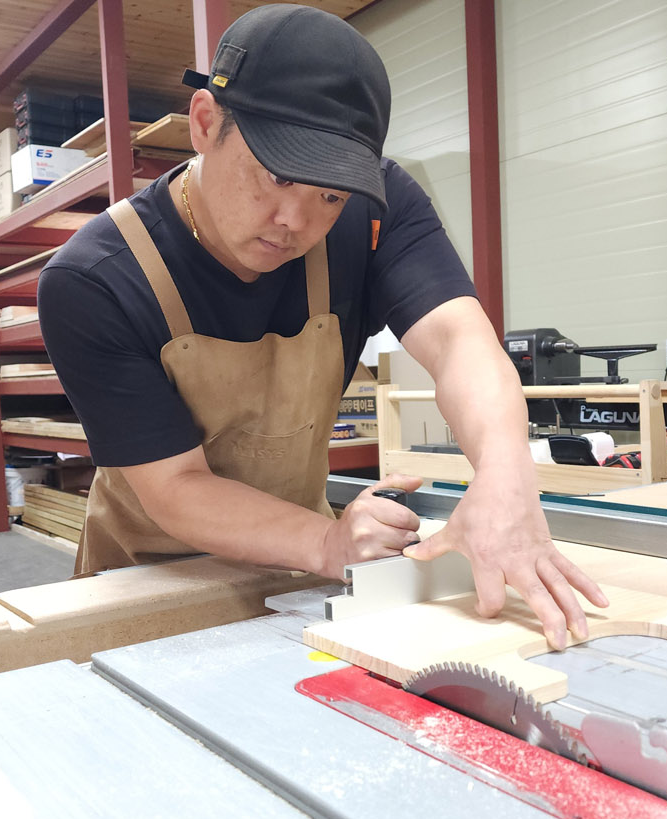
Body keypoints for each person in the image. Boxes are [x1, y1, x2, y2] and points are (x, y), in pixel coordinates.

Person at [37, 4, 607, 650]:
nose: (295, 221)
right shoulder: (95, 280)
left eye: (329, 195)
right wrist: (328, 541)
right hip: (145, 584)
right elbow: (174, 488)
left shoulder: (376, 211)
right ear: (205, 123)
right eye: (276, 175)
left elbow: (459, 343)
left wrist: (505, 477)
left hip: (298, 576)